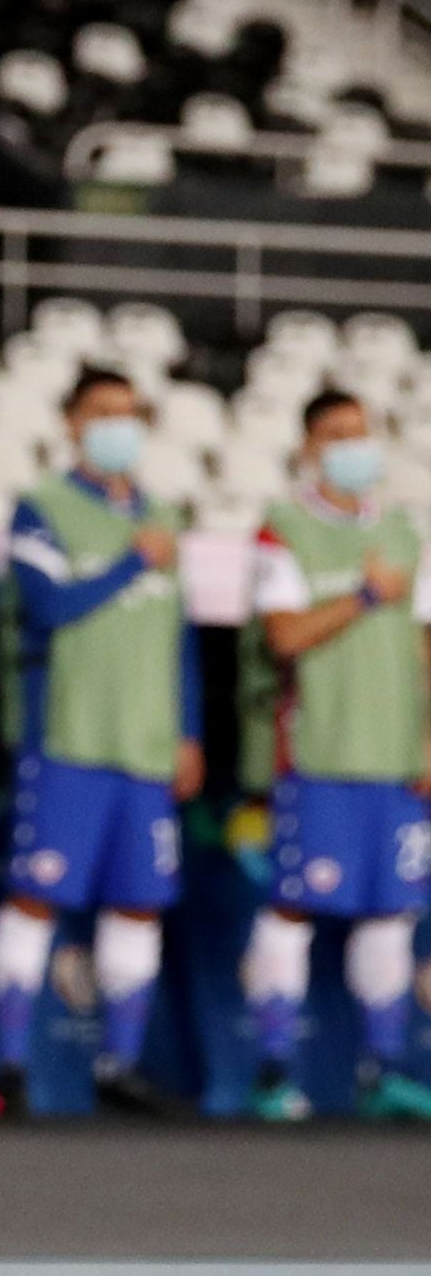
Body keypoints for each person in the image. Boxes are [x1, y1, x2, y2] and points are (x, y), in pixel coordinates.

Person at [0, 369, 202, 1119]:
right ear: (71, 423)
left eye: (128, 413)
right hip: (69, 735)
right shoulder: (41, 509)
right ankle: (9, 1062)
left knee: (137, 904)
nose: (118, 425)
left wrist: (188, 730)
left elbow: (176, 640)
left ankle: (121, 1063)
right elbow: (45, 607)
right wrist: (129, 562)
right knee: (36, 893)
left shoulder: (162, 515)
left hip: (143, 745)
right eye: (101, 413)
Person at [242, 394, 431, 1123]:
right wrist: (360, 594)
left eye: (362, 433)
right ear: (308, 445)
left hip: (392, 759)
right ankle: (270, 1074)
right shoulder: (281, 529)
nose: (353, 445)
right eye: (336, 434)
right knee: (292, 907)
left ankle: (380, 1071)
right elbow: (284, 636)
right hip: (318, 751)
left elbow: (421, 646)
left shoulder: (402, 530)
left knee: (390, 914)